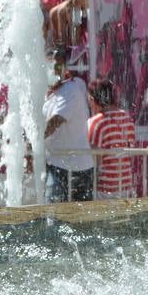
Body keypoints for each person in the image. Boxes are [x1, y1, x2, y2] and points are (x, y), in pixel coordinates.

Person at [44, 52, 95, 202]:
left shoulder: (71, 90)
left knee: (71, 221)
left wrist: (28, 142)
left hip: (76, 170)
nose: (54, 69)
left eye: (58, 66)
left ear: (64, 68)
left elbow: (53, 124)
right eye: (50, 66)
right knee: (55, 220)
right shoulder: (50, 94)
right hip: (57, 165)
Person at [87, 79, 137, 199]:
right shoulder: (127, 118)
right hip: (125, 186)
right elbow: (130, 154)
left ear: (93, 99)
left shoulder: (96, 122)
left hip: (105, 189)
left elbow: (95, 160)